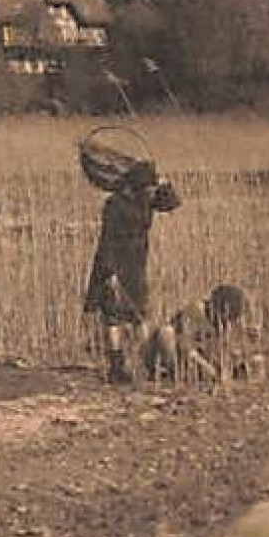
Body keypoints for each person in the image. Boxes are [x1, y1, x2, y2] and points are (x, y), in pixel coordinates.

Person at [82, 159, 181, 383]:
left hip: (136, 266)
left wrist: (165, 184)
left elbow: (173, 203)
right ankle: (118, 366)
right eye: (149, 187)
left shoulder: (141, 200)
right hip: (115, 265)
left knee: (138, 315)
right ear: (138, 187)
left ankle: (144, 363)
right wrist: (110, 274)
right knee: (114, 317)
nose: (152, 191)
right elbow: (107, 241)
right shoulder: (116, 205)